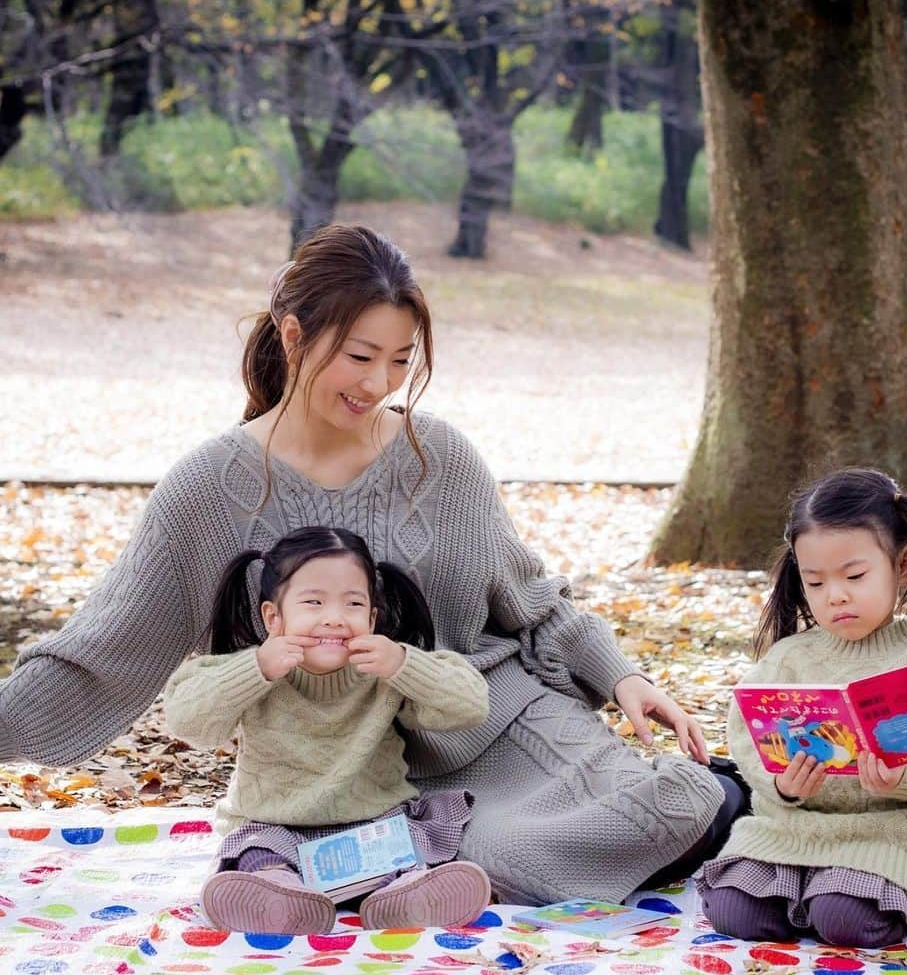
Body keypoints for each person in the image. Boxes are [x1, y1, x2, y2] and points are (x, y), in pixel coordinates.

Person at [0, 224, 746, 904]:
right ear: (293, 337)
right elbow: (97, 653)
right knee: (488, 862)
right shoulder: (207, 490)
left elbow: (532, 601)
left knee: (675, 804)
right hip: (343, 775)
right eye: (359, 356)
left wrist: (624, 677)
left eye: (399, 360)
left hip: (496, 724)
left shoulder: (441, 458)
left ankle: (729, 801)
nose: (379, 382)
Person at [164, 525, 491, 935]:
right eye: (313, 602)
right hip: (278, 828)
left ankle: (404, 895)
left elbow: (471, 707)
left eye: (353, 604)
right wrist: (255, 669)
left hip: (371, 828)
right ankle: (277, 896)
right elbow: (185, 721)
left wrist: (405, 664)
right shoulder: (256, 670)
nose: (334, 619)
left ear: (372, 618)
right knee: (257, 851)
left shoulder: (384, 671)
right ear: (274, 617)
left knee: (405, 841)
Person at [696, 468, 907, 948]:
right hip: (792, 830)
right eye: (815, 582)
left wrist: (899, 778)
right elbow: (748, 737)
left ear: (903, 565)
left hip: (885, 833)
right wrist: (781, 783)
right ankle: (807, 896)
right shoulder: (788, 658)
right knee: (734, 912)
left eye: (855, 576)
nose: (836, 595)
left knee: (845, 920)